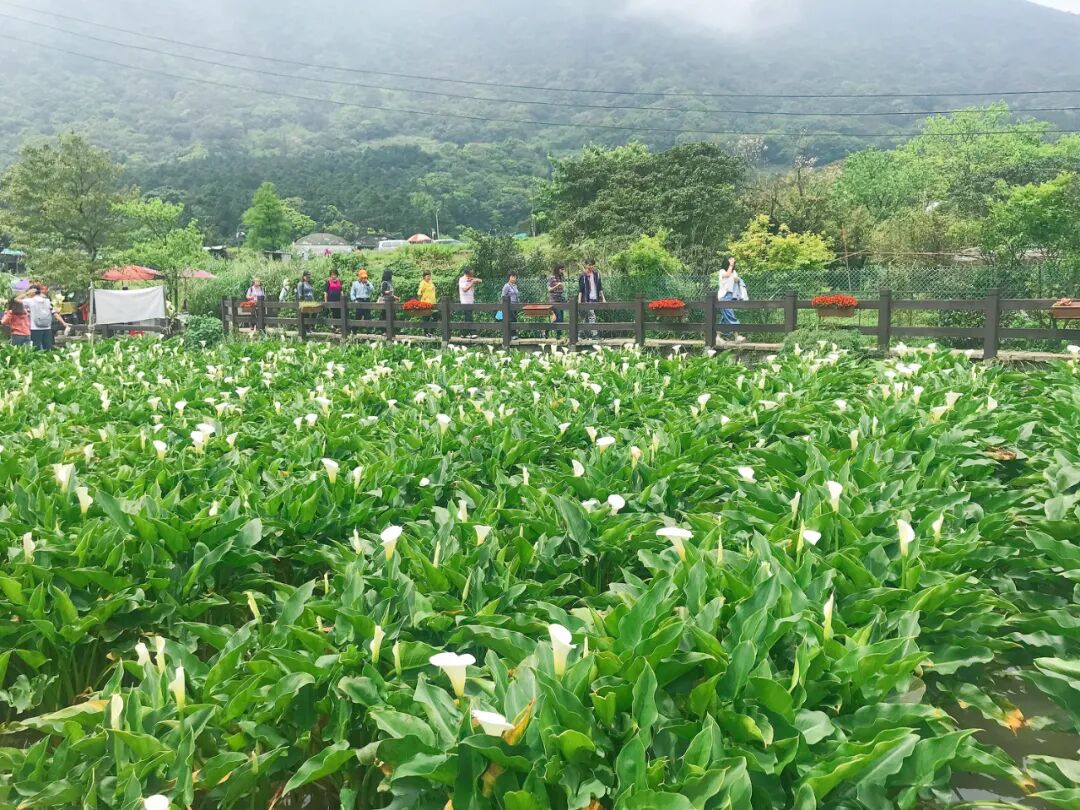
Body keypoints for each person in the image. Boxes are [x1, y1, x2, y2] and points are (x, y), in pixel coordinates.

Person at [22, 286, 67, 351]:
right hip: (47, 327)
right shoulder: (47, 301)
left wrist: (26, 294)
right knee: (47, 348)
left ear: (32, 292)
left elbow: (15, 300)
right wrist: (63, 323)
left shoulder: (30, 301)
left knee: (36, 348)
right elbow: (55, 313)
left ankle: (37, 361)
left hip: (35, 328)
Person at [718, 256, 746, 343]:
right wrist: (731, 265)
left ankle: (717, 337)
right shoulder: (722, 271)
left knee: (724, 318)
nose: (732, 262)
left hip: (731, 296)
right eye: (730, 260)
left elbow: (736, 280)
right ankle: (737, 337)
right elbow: (727, 275)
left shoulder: (734, 272)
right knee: (730, 315)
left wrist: (737, 279)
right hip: (724, 296)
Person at [578, 259, 605, 338]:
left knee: (585, 318)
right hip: (586, 299)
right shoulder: (582, 276)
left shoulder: (596, 275)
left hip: (595, 298)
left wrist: (603, 298)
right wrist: (579, 300)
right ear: (585, 265)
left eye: (592, 265)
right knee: (592, 316)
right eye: (589, 265)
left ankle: (579, 334)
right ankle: (595, 334)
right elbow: (581, 289)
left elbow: (600, 287)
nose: (591, 267)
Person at [546, 263, 567, 337]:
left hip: (560, 300)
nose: (563, 271)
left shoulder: (561, 278)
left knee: (561, 318)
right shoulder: (552, 277)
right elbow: (549, 290)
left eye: (564, 269)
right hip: (553, 300)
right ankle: (558, 335)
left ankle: (548, 329)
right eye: (562, 269)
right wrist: (557, 285)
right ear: (558, 269)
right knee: (559, 318)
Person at [458, 267, 480, 335]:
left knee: (467, 317)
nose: (472, 274)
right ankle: (473, 332)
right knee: (469, 316)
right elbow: (465, 289)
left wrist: (473, 280)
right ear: (467, 273)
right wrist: (471, 283)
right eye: (471, 273)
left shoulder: (471, 278)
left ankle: (464, 333)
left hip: (471, 301)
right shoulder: (462, 279)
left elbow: (480, 280)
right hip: (465, 301)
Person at [417, 271, 437, 335]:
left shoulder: (431, 282)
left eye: (430, 276)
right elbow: (419, 294)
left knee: (436, 316)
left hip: (433, 303)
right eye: (428, 276)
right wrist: (419, 303)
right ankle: (426, 333)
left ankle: (431, 332)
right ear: (424, 277)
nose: (429, 277)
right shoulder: (422, 283)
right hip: (425, 303)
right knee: (426, 318)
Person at [501, 272, 520, 337]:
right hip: (509, 306)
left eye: (515, 277)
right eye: (512, 277)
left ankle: (513, 334)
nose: (514, 278)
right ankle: (512, 335)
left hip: (515, 306)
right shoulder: (506, 286)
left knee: (514, 319)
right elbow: (503, 296)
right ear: (509, 277)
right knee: (511, 319)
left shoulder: (515, 286)